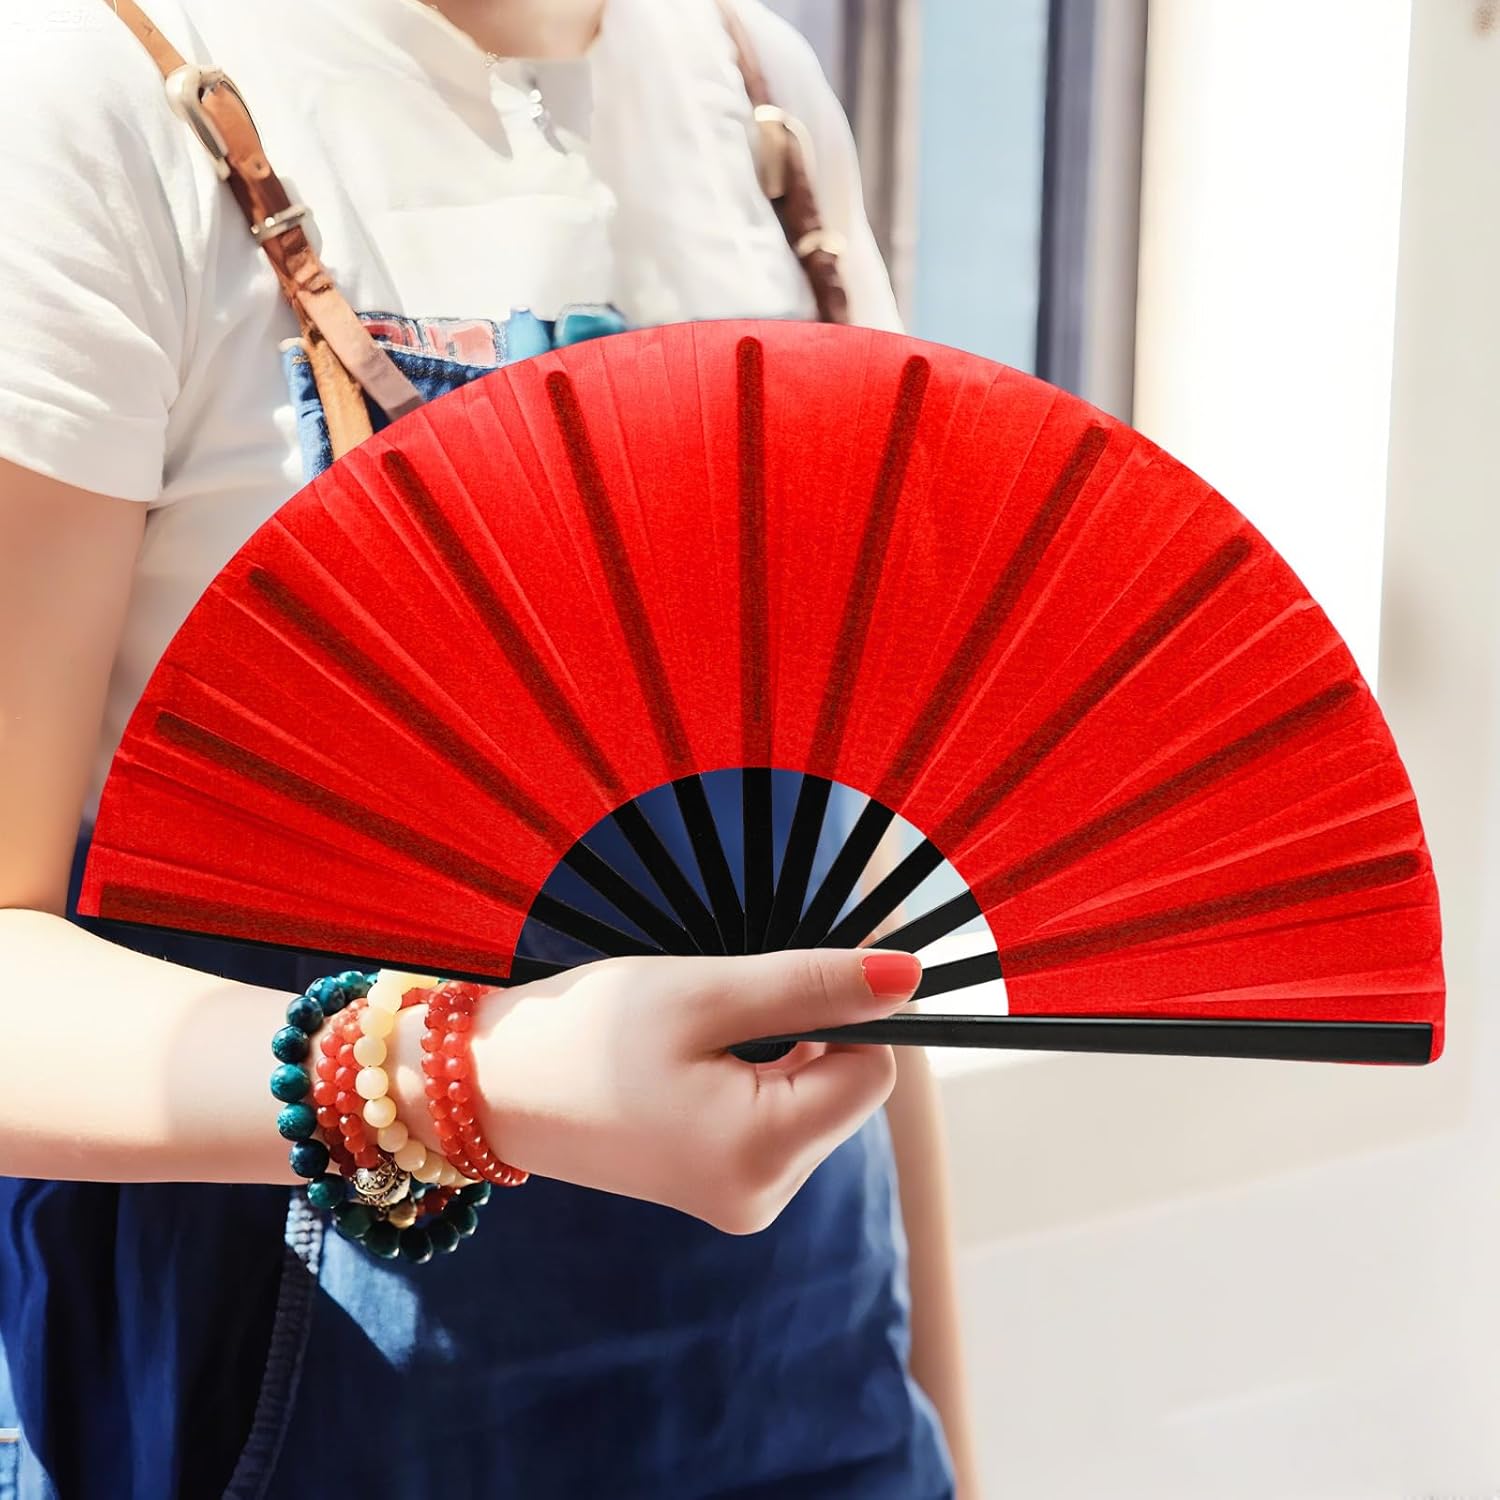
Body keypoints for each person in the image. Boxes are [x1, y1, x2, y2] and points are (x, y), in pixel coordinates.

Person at [0, 0, 979, 1495]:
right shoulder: (88, 91)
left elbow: (853, 916)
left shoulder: (757, 89)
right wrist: (476, 1080)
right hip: (301, 1405)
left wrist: (943, 1441)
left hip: (816, 1394)